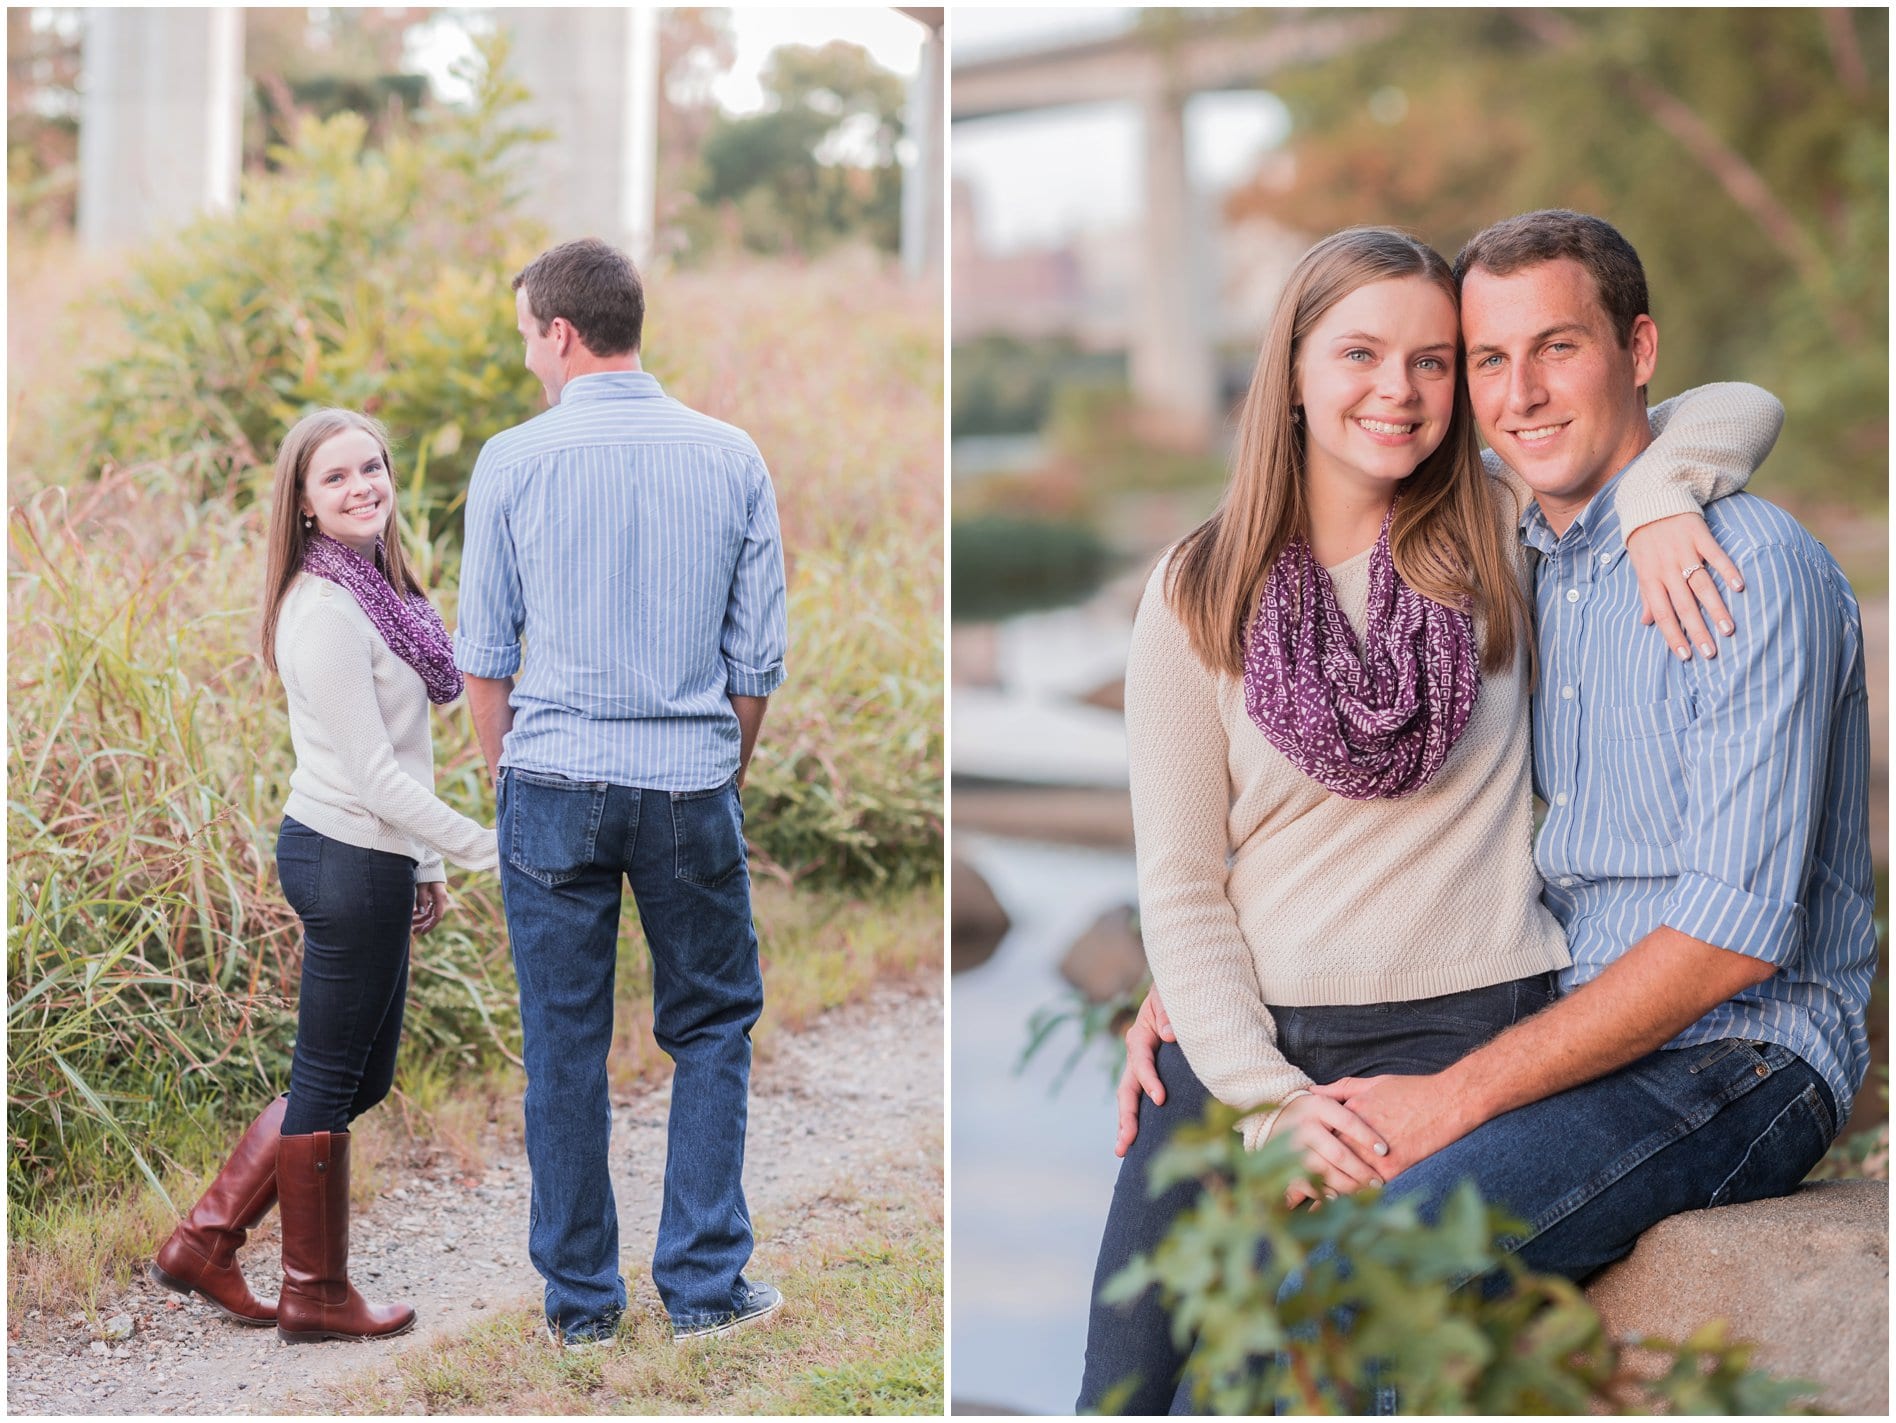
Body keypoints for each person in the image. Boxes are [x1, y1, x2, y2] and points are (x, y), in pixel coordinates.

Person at [1077, 225, 1788, 1413]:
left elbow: (1739, 403)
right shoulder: (1196, 589)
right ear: (1294, 370)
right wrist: (1264, 1101)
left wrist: (1665, 491)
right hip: (1244, 1060)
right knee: (1128, 1387)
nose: (1398, 392)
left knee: (1290, 1380)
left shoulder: (1502, 535)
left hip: (1456, 1039)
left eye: (1434, 361)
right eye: (1361, 353)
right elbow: (1185, 882)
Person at [455, 237, 789, 1349]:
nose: (528, 358)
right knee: (711, 1025)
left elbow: (486, 655)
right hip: (690, 781)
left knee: (562, 1043)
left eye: (526, 338)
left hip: (549, 780)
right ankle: (702, 1287)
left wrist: (505, 775)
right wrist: (718, 771)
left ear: (558, 331)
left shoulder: (511, 458)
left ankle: (583, 1309)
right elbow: (756, 661)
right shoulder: (732, 454)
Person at [150, 408, 498, 1345]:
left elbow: (402, 759)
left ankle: (206, 1242)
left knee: (357, 1077)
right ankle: (312, 1289)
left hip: (374, 855)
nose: (363, 488)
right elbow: (375, 775)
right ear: (303, 506)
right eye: (336, 478)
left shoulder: (380, 591)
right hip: (343, 854)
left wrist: (425, 861)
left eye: (372, 468)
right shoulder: (326, 613)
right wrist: (490, 848)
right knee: (328, 1076)